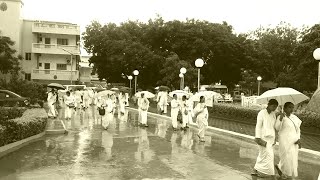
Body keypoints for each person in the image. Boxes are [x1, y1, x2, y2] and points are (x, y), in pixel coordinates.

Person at [252, 99, 279, 177]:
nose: (274, 108)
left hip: (271, 138)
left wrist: (275, 139)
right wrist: (258, 138)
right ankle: (272, 175)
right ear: (269, 105)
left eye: (276, 107)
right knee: (270, 156)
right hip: (263, 139)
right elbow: (258, 126)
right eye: (273, 106)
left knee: (262, 155)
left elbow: (274, 127)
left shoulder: (273, 114)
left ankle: (255, 170)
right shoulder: (261, 113)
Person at [275, 102, 302, 179]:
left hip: (294, 141)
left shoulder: (294, 117)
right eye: (290, 107)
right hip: (284, 141)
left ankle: (280, 168)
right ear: (285, 108)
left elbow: (298, 129)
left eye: (292, 107)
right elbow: (277, 128)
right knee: (286, 157)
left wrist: (298, 138)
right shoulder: (281, 117)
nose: (291, 109)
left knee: (292, 158)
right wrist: (280, 119)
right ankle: (286, 174)